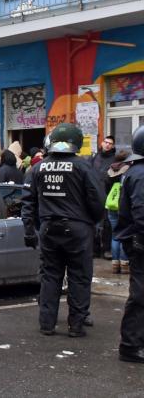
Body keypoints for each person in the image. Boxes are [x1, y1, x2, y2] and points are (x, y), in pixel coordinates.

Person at [21, 123, 106, 337]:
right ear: (76, 142)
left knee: (50, 276)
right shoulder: (83, 166)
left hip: (49, 228)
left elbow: (27, 202)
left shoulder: (38, 167)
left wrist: (30, 230)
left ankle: (47, 324)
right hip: (78, 228)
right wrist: (94, 223)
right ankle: (76, 326)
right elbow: (97, 200)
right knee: (79, 277)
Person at [115, 125, 144, 363]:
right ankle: (131, 346)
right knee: (140, 294)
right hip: (140, 240)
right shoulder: (141, 173)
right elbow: (142, 212)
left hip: (135, 239)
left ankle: (135, 342)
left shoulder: (135, 171)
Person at [91, 136, 117, 259]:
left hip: (108, 195)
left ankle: (106, 249)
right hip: (94, 195)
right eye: (106, 142)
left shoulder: (115, 159)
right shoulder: (95, 157)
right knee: (94, 222)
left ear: (113, 146)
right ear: (102, 143)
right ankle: (95, 249)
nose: (107, 145)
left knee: (107, 224)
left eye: (110, 143)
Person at [106, 152, 130, 274]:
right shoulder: (128, 169)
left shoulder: (110, 170)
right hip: (124, 206)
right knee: (125, 234)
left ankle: (115, 264)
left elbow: (105, 187)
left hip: (112, 206)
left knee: (115, 235)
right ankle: (124, 263)